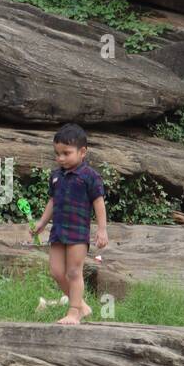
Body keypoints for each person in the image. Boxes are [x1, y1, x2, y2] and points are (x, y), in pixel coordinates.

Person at [30, 124, 109, 325]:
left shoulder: (90, 176)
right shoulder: (56, 176)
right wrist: (41, 223)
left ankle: (74, 312)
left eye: (66, 153)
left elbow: (98, 202)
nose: (61, 158)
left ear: (83, 152)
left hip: (78, 232)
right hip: (58, 231)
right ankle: (82, 305)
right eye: (57, 154)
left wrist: (102, 229)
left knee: (74, 272)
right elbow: (52, 201)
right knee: (56, 272)